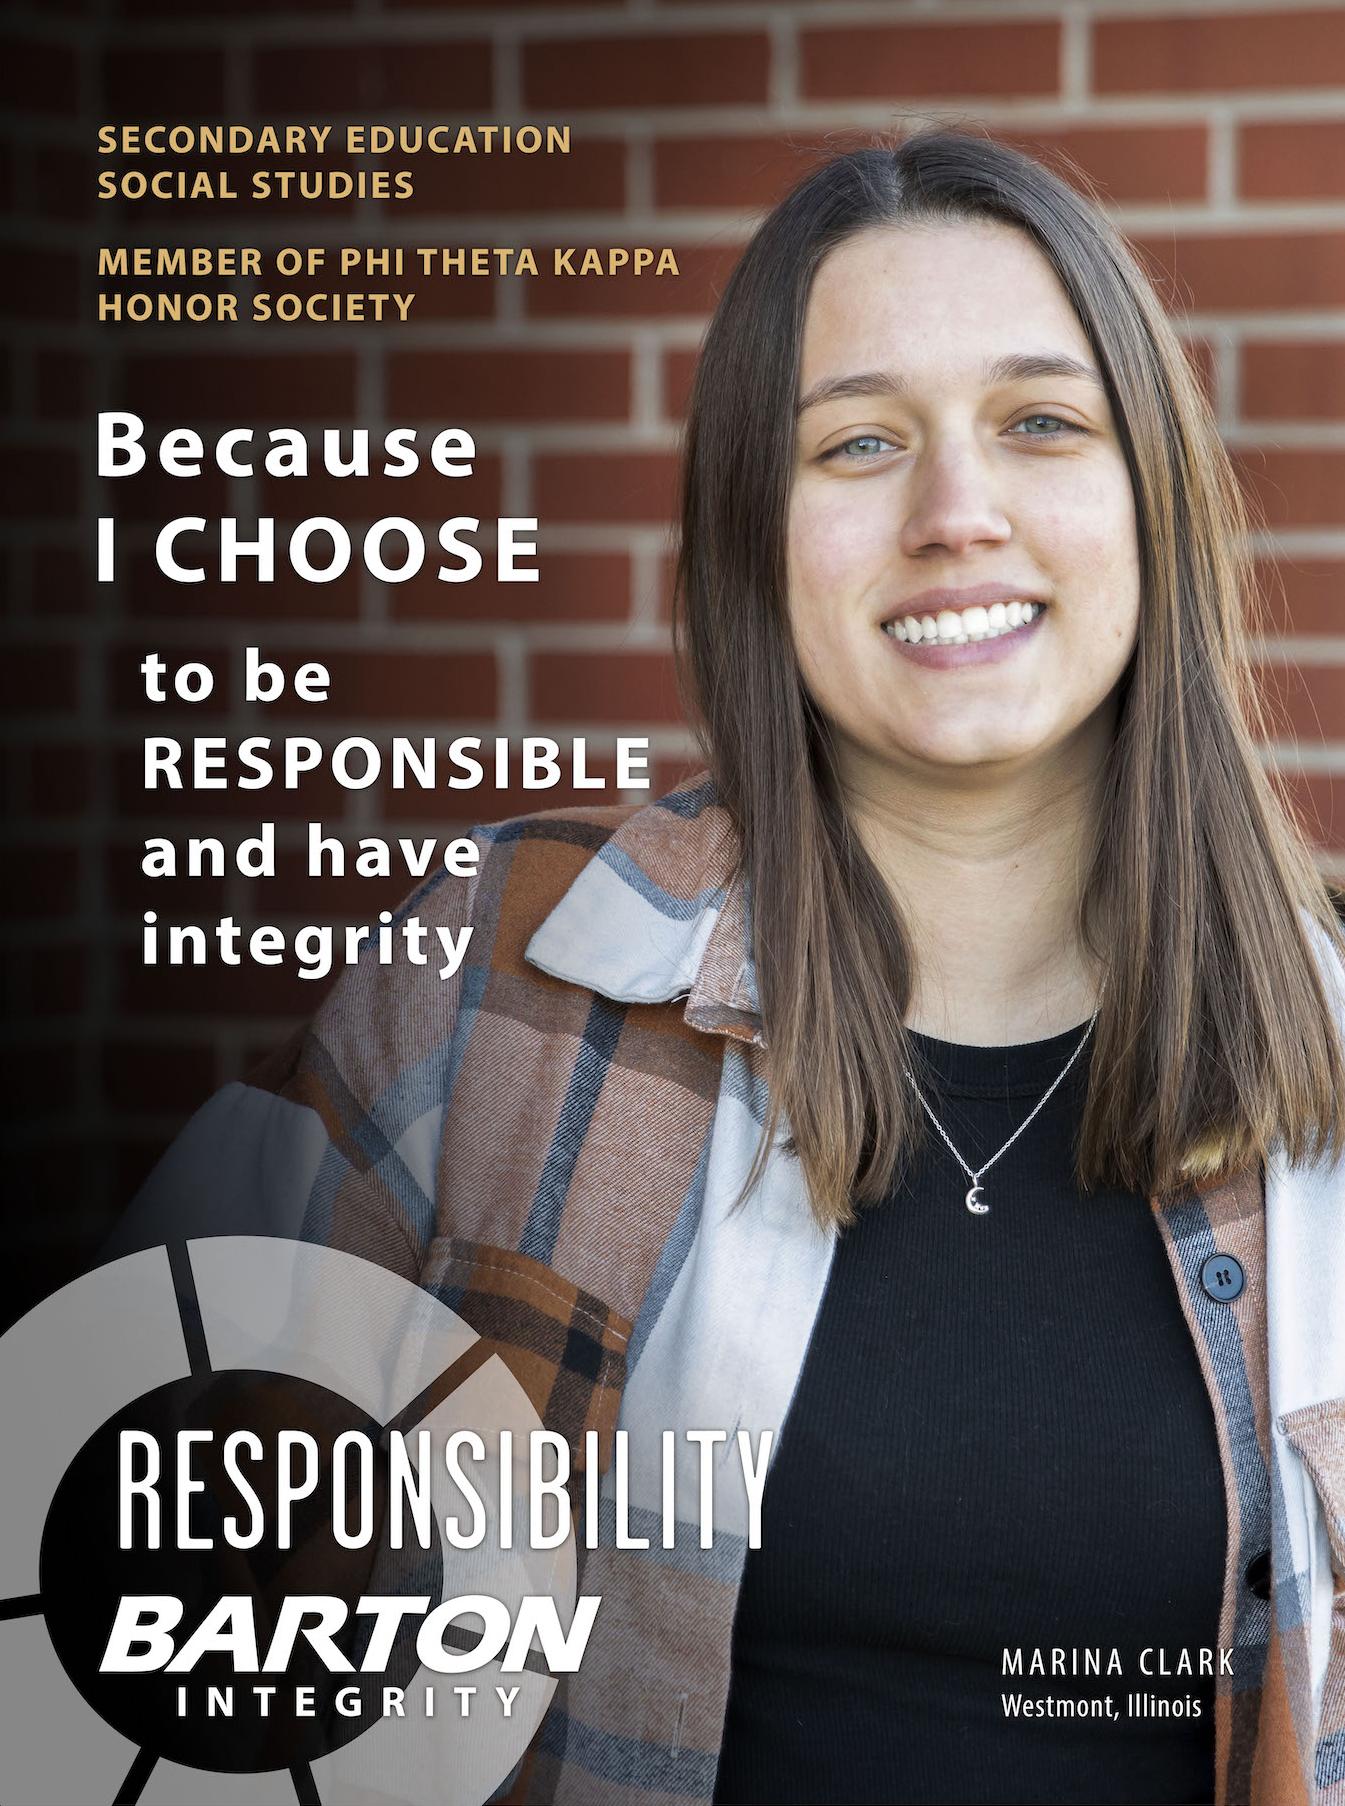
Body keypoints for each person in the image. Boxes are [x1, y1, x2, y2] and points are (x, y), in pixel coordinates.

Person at [119, 130, 1344, 1806]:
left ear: (1157, 499)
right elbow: (107, 1587)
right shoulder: (499, 982)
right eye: (856, 443)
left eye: (1040, 423)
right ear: (750, 537)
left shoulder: (1330, 1049)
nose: (954, 513)